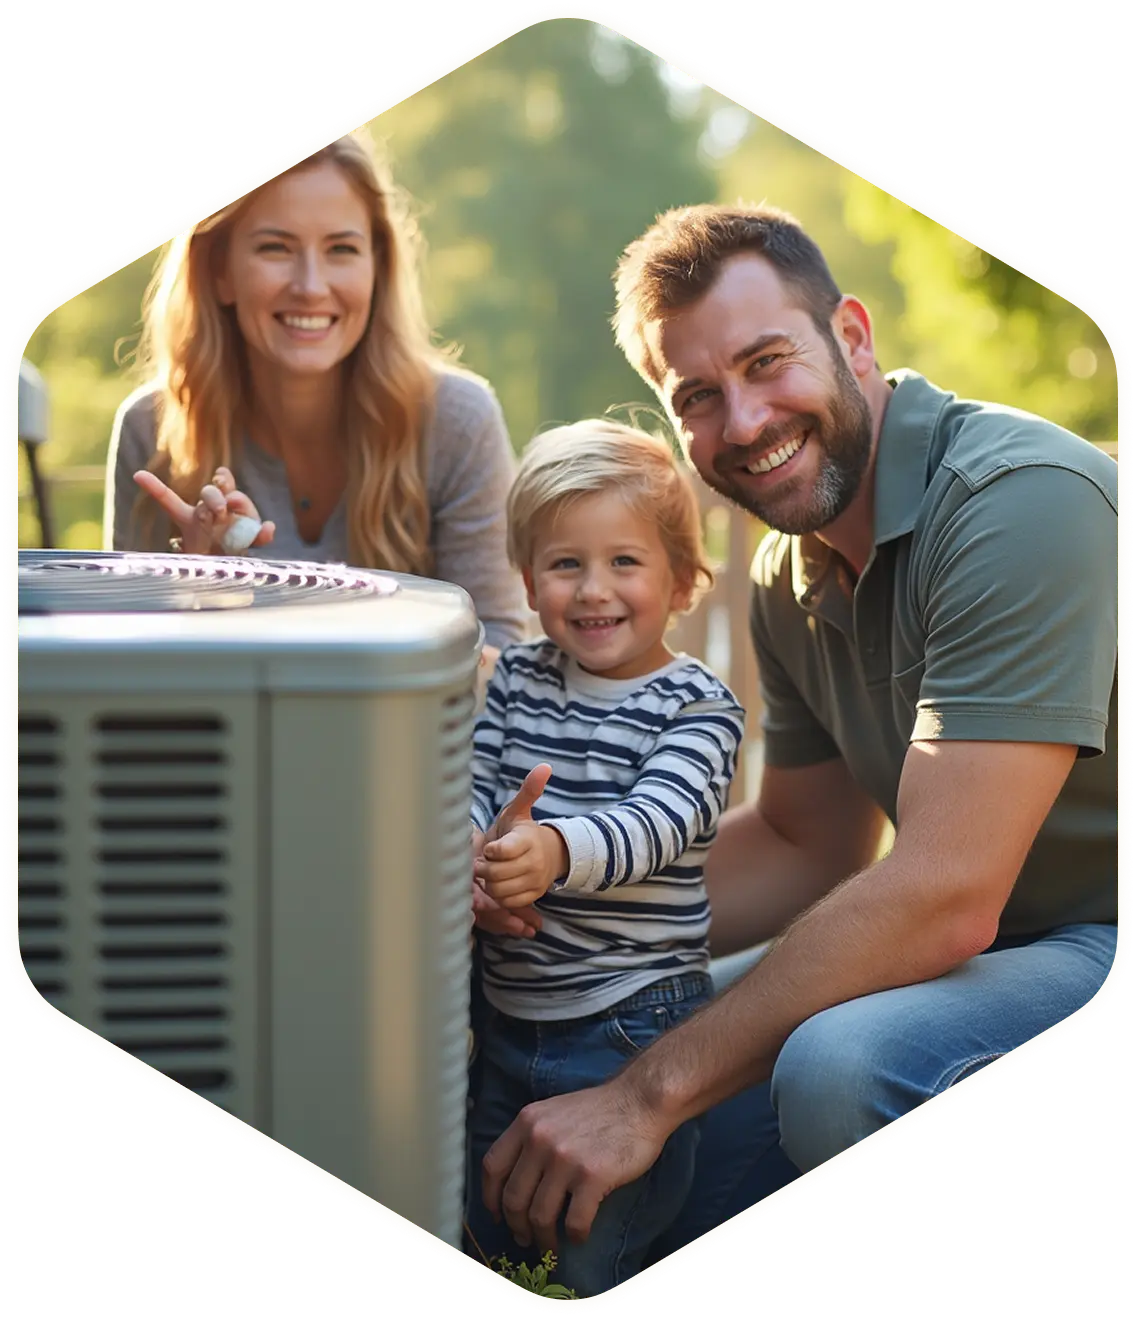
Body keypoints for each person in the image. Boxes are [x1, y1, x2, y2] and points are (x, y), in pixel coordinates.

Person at [475, 203, 1120, 1264]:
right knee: (620, 1037)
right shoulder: (789, 571)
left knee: (831, 1065)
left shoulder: (1017, 502)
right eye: (696, 396)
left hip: (1097, 938)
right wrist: (541, 902)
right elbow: (803, 845)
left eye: (765, 360)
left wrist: (645, 1094)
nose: (741, 420)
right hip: (979, 944)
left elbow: (945, 893)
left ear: (852, 338)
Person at [463, 420, 746, 1297]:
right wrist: (471, 853)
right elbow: (474, 779)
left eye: (624, 562)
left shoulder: (698, 707)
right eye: (564, 564)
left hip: (628, 1023)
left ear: (683, 579)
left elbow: (662, 819)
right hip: (505, 1016)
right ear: (526, 577)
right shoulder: (517, 677)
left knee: (590, 1245)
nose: (594, 591)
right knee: (485, 1217)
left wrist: (552, 849)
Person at [103, 132, 527, 653]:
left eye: (341, 249)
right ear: (220, 272)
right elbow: (127, 668)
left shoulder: (459, 423)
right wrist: (193, 591)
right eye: (275, 248)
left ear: (378, 268)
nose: (310, 285)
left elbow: (498, 646)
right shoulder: (149, 429)